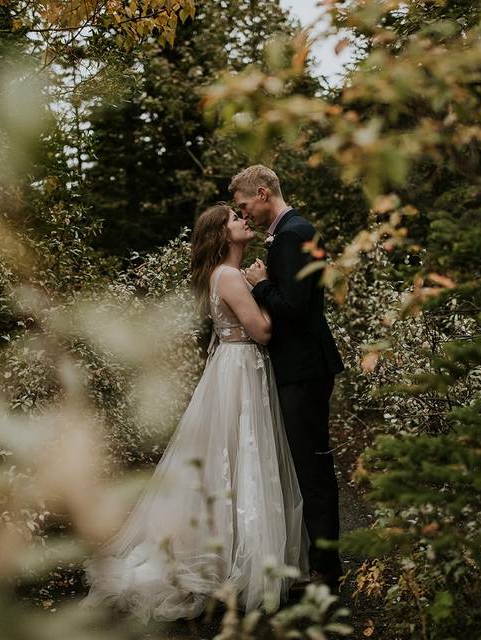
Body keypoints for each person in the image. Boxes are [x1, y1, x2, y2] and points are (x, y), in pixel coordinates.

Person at [82, 204, 309, 622]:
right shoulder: (229, 276)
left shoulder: (221, 275)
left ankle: (236, 550)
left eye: (243, 214)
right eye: (234, 218)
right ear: (222, 235)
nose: (243, 220)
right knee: (242, 456)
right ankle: (239, 559)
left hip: (232, 368)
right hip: (241, 368)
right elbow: (260, 331)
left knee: (230, 459)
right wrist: (261, 287)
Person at [232, 165, 345, 589]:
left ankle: (326, 569)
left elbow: (296, 307)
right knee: (307, 463)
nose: (245, 216)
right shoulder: (291, 231)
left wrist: (260, 284)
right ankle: (318, 561)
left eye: (245, 206)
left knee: (313, 466)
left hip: (303, 367)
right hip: (300, 366)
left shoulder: (294, 233)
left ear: (263, 193)